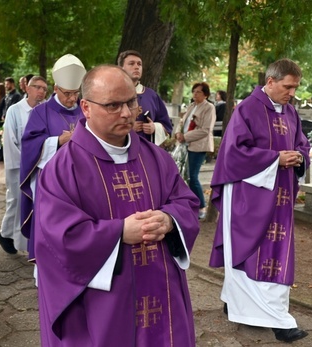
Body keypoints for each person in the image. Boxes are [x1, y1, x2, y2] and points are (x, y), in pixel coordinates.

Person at [34, 64, 200, 346]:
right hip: (104, 301)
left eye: (130, 102)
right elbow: (58, 238)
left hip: (161, 291)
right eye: (112, 105)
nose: (126, 113)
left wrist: (170, 220)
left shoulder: (157, 158)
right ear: (86, 107)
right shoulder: (63, 168)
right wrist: (119, 232)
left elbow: (185, 202)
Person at [209, 58, 310, 343]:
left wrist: (299, 155)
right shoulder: (247, 109)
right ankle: (280, 322)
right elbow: (234, 152)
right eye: (288, 87)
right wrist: (275, 158)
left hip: (282, 196)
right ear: (270, 81)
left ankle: (240, 302)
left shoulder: (291, 112)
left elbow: (302, 143)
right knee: (248, 250)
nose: (292, 93)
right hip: (249, 197)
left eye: (295, 88)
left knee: (277, 253)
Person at [20, 53, 86, 260]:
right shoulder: (41, 112)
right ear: (56, 89)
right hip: (51, 180)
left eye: (75, 93)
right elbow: (29, 145)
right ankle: (45, 267)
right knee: (50, 225)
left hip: (82, 178)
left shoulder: (86, 111)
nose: (72, 98)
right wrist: (57, 141)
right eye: (67, 93)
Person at [0, 76, 48, 254]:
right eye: (37, 87)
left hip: (41, 165)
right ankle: (6, 234)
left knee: (33, 202)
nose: (41, 91)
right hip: (20, 165)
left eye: (44, 88)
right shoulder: (15, 110)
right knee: (16, 200)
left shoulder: (45, 110)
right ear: (27, 88)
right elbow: (10, 140)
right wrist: (25, 164)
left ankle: (17, 236)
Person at [174, 82, 216, 220]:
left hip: (198, 145)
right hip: (185, 144)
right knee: (184, 175)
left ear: (205, 94)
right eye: (194, 91)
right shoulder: (192, 106)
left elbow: (205, 130)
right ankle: (191, 204)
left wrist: (185, 136)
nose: (195, 94)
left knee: (193, 175)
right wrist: (178, 133)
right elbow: (182, 122)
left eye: (198, 92)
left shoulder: (209, 108)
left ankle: (201, 206)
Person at [118, 50, 172, 145]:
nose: (137, 67)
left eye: (139, 64)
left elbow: (167, 126)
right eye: (131, 64)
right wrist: (127, 127)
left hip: (145, 150)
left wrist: (154, 127)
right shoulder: (112, 92)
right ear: (121, 68)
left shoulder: (151, 95)